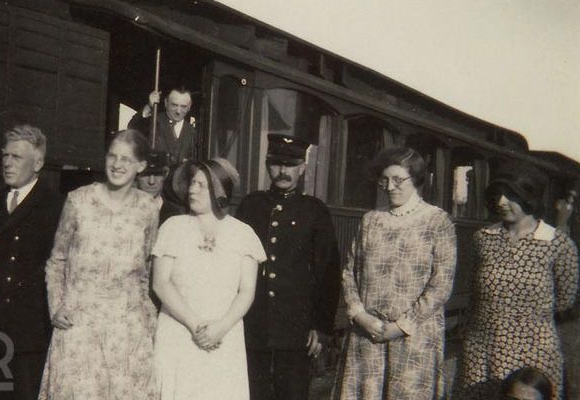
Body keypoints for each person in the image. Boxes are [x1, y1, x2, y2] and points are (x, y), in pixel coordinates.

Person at [38, 129, 160, 400]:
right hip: (79, 325)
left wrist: (147, 321)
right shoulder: (78, 201)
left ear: (141, 166)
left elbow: (146, 273)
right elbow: (56, 261)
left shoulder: (148, 209)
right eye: (112, 156)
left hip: (128, 331)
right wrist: (56, 306)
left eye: (126, 160)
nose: (117, 165)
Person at [333, 147, 457, 400]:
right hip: (368, 335)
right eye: (385, 180)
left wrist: (401, 327)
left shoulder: (437, 221)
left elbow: (441, 285)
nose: (390, 187)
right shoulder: (371, 220)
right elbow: (349, 272)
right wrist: (360, 315)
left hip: (414, 337)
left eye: (398, 180)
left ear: (417, 179)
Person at [455, 165, 578, 400]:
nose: (501, 201)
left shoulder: (558, 244)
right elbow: (474, 291)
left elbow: (565, 300)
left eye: (511, 195)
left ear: (529, 196)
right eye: (498, 195)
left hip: (532, 354)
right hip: (482, 352)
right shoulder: (484, 238)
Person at [235, 134, 341, 400]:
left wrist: (321, 326)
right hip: (253, 322)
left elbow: (328, 271)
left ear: (302, 168)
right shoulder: (251, 205)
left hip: (296, 327)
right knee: (251, 391)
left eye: (291, 165)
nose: (283, 171)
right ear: (267, 166)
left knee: (292, 392)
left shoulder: (315, 211)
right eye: (276, 164)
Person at [152, 158, 265, 400]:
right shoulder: (173, 227)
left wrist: (220, 327)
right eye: (192, 183)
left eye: (202, 185)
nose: (193, 189)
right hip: (178, 331)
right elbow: (160, 283)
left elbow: (246, 291)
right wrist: (195, 325)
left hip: (223, 335)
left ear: (221, 190)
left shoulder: (243, 234)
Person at [0, 125, 64, 399]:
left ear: (38, 163)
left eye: (17, 157)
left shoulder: (56, 207)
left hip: (28, 336)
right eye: (5, 156)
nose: (8, 163)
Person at [128, 88, 197, 165]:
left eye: (183, 107)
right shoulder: (153, 121)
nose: (178, 111)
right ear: (166, 103)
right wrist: (149, 106)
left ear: (189, 107)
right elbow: (132, 128)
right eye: (174, 105)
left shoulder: (192, 131)